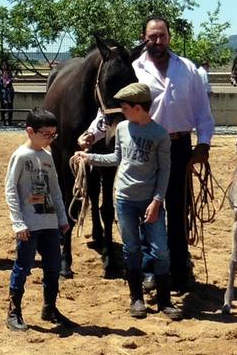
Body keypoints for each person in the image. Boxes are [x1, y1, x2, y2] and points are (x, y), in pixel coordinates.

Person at [78, 18, 214, 295]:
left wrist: (204, 143)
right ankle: (150, 270)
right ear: (144, 38)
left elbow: (203, 112)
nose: (158, 41)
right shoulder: (133, 69)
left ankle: (179, 266)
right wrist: (93, 133)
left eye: (162, 35)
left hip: (179, 146)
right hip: (142, 148)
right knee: (145, 211)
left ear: (169, 37)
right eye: (152, 36)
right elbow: (113, 109)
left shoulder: (188, 69)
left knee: (178, 207)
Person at [73, 82, 179, 319]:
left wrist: (157, 201)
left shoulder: (160, 135)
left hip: (150, 201)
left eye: (124, 106)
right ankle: (137, 298)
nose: (122, 110)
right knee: (131, 249)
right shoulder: (122, 129)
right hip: (125, 199)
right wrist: (88, 158)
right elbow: (116, 158)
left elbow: (164, 171)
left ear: (138, 107)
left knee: (160, 249)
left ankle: (164, 300)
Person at [3, 108, 73, 330]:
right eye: (46, 134)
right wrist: (18, 222)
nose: (50, 139)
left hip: (50, 222)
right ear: (30, 131)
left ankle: (49, 307)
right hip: (30, 224)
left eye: (54, 135)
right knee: (23, 266)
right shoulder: (21, 156)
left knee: (53, 266)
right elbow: (10, 190)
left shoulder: (47, 157)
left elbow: (55, 190)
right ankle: (14, 311)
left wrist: (61, 218)